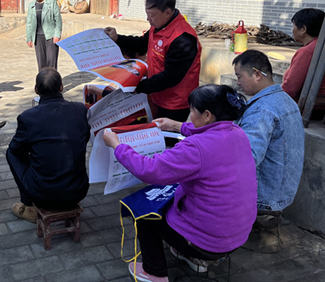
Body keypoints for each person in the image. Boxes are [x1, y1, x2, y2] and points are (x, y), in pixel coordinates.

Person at [103, 85, 257, 282]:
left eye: (192, 110)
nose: (190, 115)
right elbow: (207, 132)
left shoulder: (195, 148)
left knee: (145, 214)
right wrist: (176, 125)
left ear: (207, 115)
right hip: (237, 235)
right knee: (177, 196)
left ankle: (155, 273)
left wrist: (117, 145)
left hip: (210, 241)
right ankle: (190, 256)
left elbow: (149, 170)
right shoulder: (237, 133)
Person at [6, 68, 90, 222]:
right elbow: (84, 138)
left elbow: (16, 150)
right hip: (78, 189)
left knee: (12, 153)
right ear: (61, 87)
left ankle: (28, 204)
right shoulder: (80, 110)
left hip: (42, 194)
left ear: (36, 90)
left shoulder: (28, 117)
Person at [104, 0, 201, 122]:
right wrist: (117, 38)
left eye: (151, 15)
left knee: (168, 134)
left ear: (167, 12)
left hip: (176, 103)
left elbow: (170, 77)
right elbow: (141, 44)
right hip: (156, 95)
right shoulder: (158, 27)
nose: (148, 19)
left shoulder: (183, 38)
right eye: (147, 14)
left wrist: (138, 87)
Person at [233, 50, 305, 212]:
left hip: (263, 198)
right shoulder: (286, 99)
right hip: (280, 192)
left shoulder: (262, 110)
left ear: (257, 75)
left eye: (239, 76)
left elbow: (248, 158)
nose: (238, 82)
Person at [282, 8, 325, 119]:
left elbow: (290, 89)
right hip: (323, 105)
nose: (292, 30)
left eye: (294, 26)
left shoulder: (308, 51)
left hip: (311, 108)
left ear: (303, 29)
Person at [26, 0, 62, 71]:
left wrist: (57, 35)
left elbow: (58, 20)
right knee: (41, 65)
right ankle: (42, 80)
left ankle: (53, 80)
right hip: (38, 38)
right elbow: (29, 23)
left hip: (50, 37)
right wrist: (29, 38)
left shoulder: (52, 2)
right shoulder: (31, 6)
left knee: (51, 64)